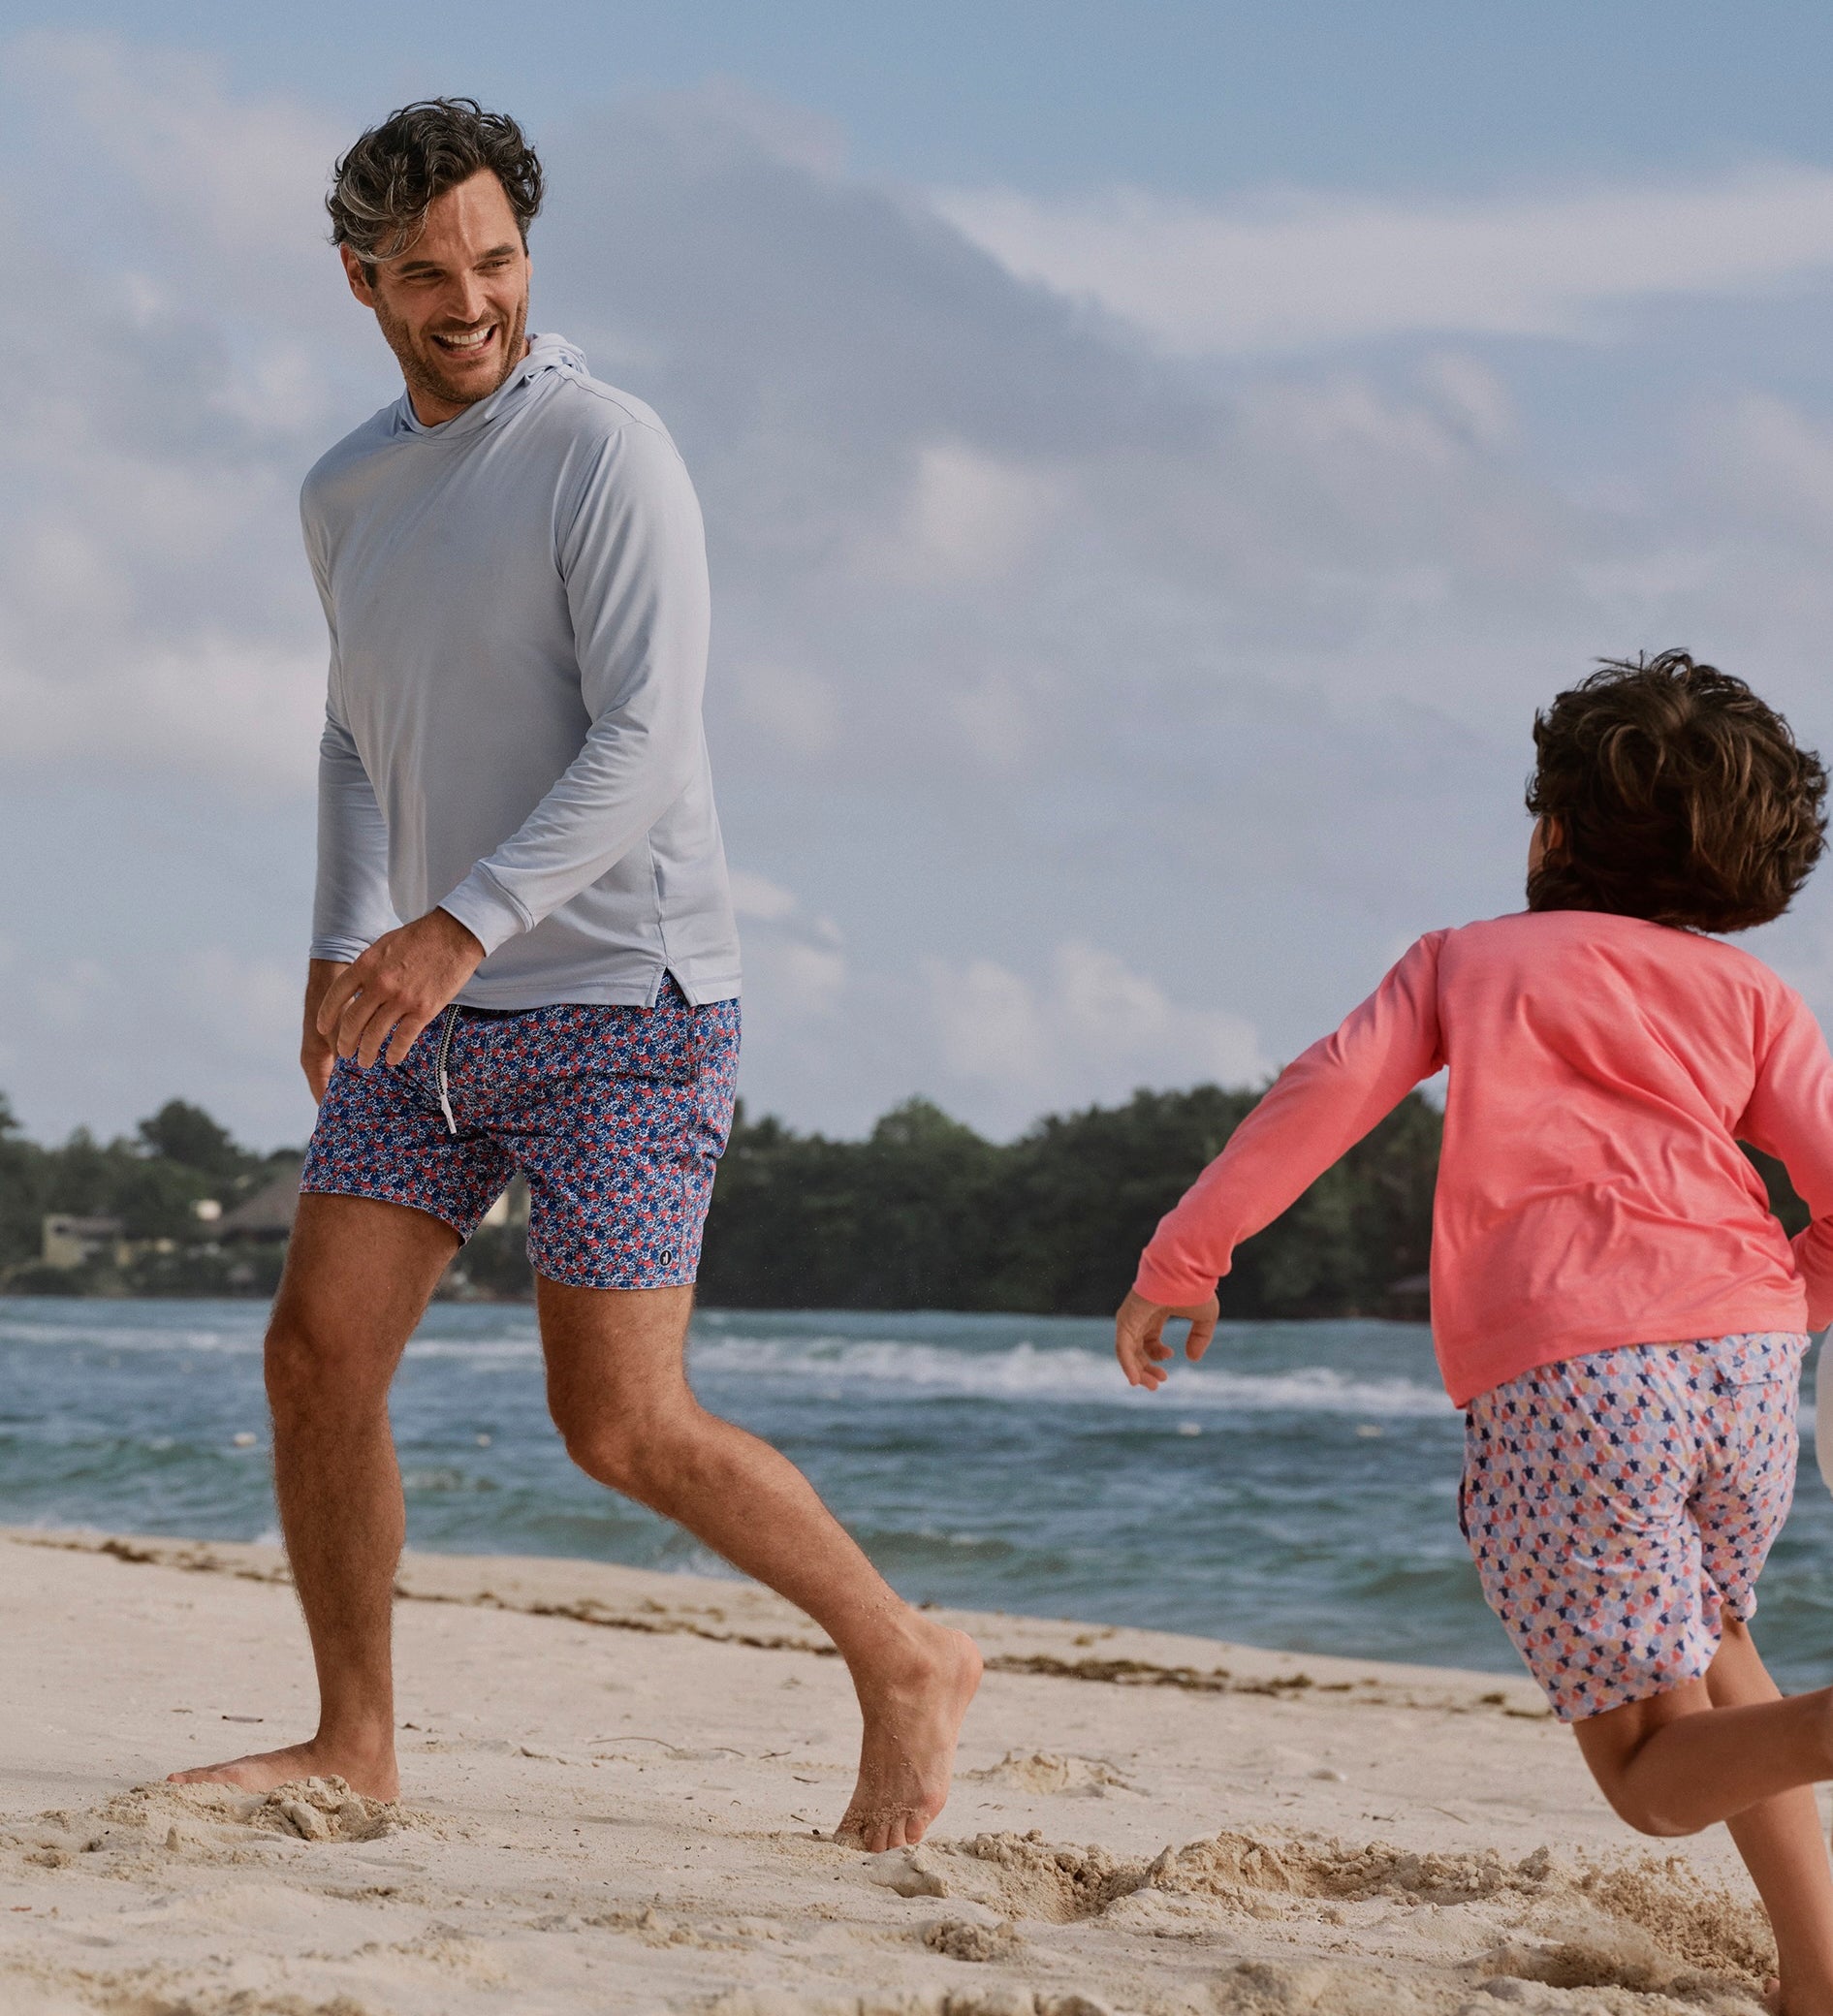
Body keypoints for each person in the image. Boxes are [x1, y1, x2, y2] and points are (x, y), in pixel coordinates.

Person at [173, 98, 979, 1853]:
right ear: (360, 283)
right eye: (425, 274)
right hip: (425, 1007)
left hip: (628, 1008)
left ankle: (907, 1657)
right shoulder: (346, 490)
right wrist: (340, 935)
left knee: (617, 1422)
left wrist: (452, 922)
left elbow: (642, 737)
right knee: (317, 1356)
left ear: (529, 253)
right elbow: (349, 734)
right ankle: (353, 1742)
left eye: (498, 260)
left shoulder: (606, 449)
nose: (470, 301)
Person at [1116, 652, 1833, 2013]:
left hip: (1577, 1378)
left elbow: (1323, 1093)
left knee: (1643, 1778)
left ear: (1554, 830)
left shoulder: (1467, 963)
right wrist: (1778, 1303)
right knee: (1717, 1635)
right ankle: (1820, 1979)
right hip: (1748, 1366)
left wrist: (1186, 1259)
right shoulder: (1755, 1000)